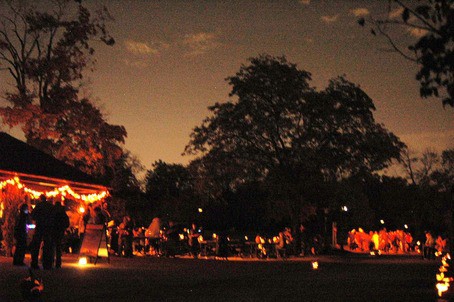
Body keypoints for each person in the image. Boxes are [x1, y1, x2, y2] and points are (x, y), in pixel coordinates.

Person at [30, 195, 55, 270]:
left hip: (40, 227)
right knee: (47, 245)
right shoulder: (50, 206)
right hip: (48, 227)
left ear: (40, 199)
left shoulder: (39, 206)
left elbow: (33, 215)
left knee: (36, 245)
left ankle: (34, 263)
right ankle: (47, 264)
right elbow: (54, 217)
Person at [52, 201, 69, 268]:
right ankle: (58, 263)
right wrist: (63, 228)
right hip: (60, 231)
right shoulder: (63, 214)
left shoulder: (53, 213)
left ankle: (51, 260)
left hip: (53, 231)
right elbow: (67, 223)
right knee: (58, 247)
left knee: (52, 246)